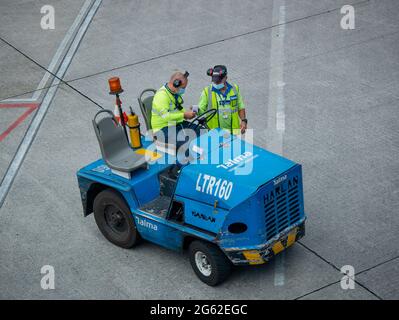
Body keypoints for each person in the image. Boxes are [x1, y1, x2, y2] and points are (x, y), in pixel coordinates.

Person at [197, 65, 247, 135]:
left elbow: (240, 106)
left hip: (234, 133)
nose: (216, 83)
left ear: (226, 78)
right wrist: (195, 110)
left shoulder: (235, 89)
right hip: (215, 134)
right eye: (215, 81)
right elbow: (200, 110)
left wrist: (243, 121)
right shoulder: (207, 92)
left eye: (219, 81)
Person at [151, 71, 197, 145]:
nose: (184, 90)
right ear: (176, 84)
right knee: (186, 143)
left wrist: (189, 114)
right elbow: (165, 116)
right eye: (183, 88)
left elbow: (179, 108)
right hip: (162, 129)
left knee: (198, 130)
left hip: (174, 123)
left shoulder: (174, 94)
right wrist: (184, 115)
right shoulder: (161, 96)